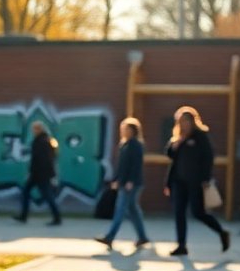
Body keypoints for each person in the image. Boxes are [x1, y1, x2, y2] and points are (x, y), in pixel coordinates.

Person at [164, 105, 230, 256]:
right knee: (179, 212)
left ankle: (221, 232)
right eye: (180, 121)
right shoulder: (178, 138)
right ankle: (181, 245)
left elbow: (208, 158)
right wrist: (176, 145)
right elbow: (170, 156)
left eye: (186, 121)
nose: (183, 124)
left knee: (198, 212)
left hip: (195, 181)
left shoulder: (200, 137)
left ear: (192, 121)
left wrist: (205, 178)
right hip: (178, 181)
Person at [95, 117, 151, 250]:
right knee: (133, 210)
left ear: (133, 131)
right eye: (123, 129)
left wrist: (130, 181)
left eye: (127, 129)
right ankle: (143, 237)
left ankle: (110, 237)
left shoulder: (136, 145)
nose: (124, 131)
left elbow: (136, 165)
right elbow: (121, 166)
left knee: (120, 209)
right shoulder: (124, 145)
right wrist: (116, 179)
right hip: (124, 182)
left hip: (132, 183)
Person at [15, 120, 61, 226]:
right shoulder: (44, 140)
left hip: (41, 173)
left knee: (47, 195)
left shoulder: (42, 141)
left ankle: (57, 217)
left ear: (39, 129)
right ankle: (24, 215)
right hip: (38, 173)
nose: (33, 131)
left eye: (34, 129)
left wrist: (34, 172)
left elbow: (43, 159)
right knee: (27, 192)